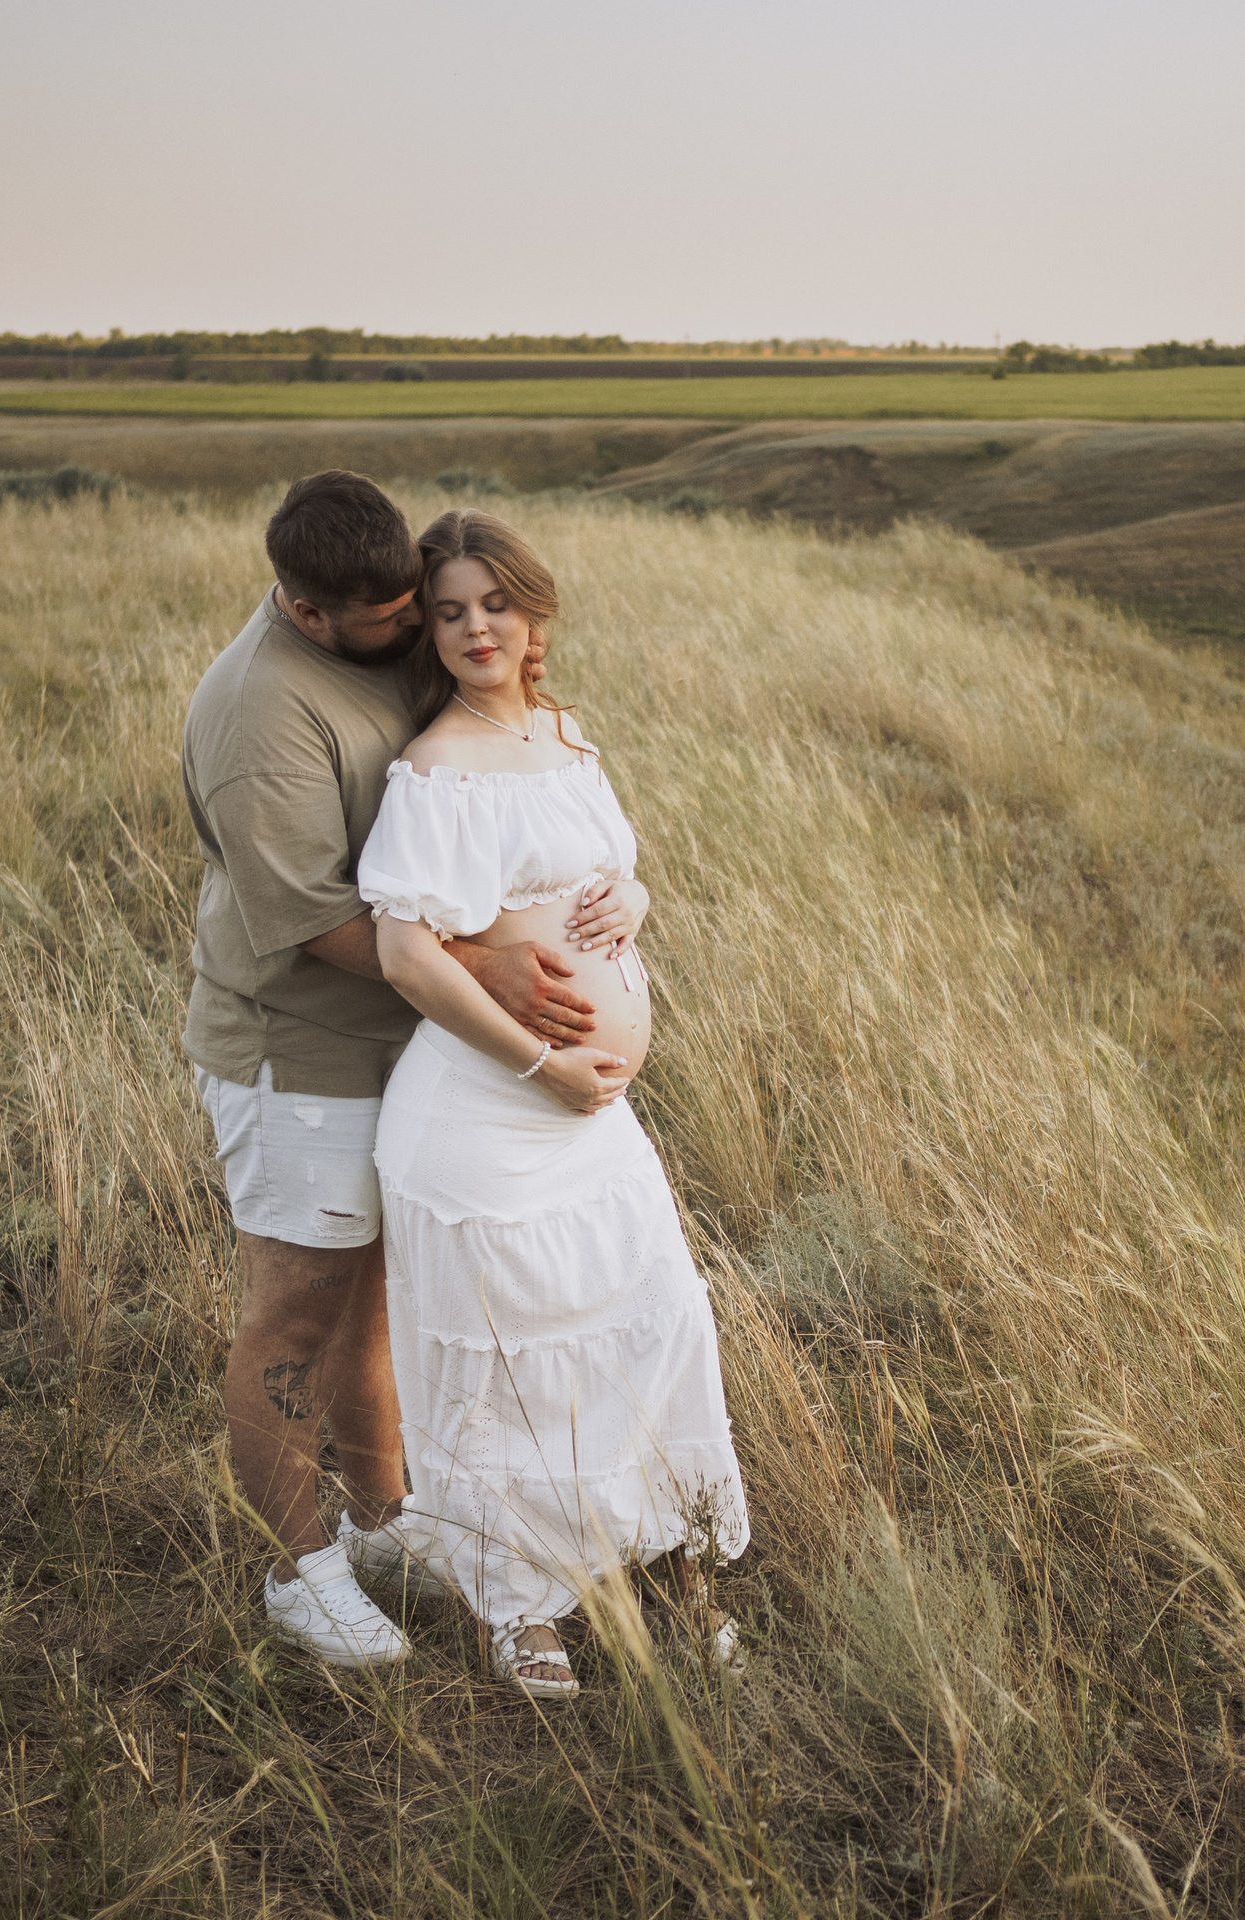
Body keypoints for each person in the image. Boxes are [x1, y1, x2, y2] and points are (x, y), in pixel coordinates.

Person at [181, 470, 607, 1666]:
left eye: (417, 602)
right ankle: (297, 1575)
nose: (417, 627)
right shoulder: (260, 714)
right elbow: (317, 919)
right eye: (391, 617)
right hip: (301, 1055)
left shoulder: (382, 632)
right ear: (307, 611)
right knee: (295, 1313)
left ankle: (380, 1525)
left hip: (408, 1045)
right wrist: (487, 974)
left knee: (373, 1298)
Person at [359, 507, 748, 1697]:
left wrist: (633, 896)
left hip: (595, 1124)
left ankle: (672, 1561)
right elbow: (407, 955)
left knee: (650, 1324)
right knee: (509, 1370)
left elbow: (606, 869)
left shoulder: (566, 734)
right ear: (429, 632)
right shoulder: (437, 768)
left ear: (534, 613)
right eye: (450, 612)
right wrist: (541, 1064)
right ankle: (520, 1608)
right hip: (485, 1120)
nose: (477, 628)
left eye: (496, 604)